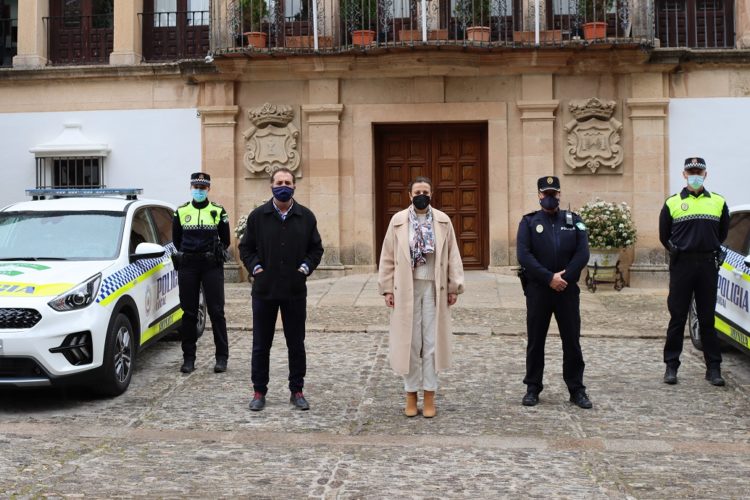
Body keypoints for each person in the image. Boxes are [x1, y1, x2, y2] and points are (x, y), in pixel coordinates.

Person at [377, 176, 464, 418]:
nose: (421, 195)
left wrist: (454, 285)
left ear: (431, 194)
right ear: (409, 195)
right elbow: (387, 256)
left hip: (435, 289)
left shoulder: (443, 221)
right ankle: (410, 394)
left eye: (425, 191)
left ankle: (429, 395)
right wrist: (386, 288)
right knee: (411, 343)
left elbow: (453, 255)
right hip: (406, 288)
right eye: (417, 191)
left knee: (432, 343)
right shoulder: (398, 222)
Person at [239, 167, 324, 411]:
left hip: (294, 291)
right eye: (279, 182)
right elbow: (246, 248)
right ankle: (259, 391)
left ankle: (296, 390)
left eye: (288, 182)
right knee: (260, 344)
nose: (283, 186)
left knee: (296, 343)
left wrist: (304, 269)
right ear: (271, 186)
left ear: (294, 186)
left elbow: (316, 249)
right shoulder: (258, 216)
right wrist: (256, 269)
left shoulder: (305, 216)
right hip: (265, 291)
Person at [516, 175, 592, 409]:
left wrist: (564, 278)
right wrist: (549, 278)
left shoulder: (574, 221)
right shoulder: (528, 222)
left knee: (572, 341)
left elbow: (582, 254)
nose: (550, 198)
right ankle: (532, 387)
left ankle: (576, 389)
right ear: (539, 195)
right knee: (536, 341)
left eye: (553, 194)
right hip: (539, 290)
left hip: (567, 290)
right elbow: (524, 254)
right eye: (545, 193)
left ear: (559, 194)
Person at [659, 157, 729, 387]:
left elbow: (722, 233)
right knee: (677, 318)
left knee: (707, 319)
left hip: (708, 265)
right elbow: (663, 235)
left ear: (705, 174)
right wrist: (677, 249)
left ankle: (713, 368)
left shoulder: (718, 202)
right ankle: (671, 367)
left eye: (699, 171)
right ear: (684, 175)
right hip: (682, 266)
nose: (695, 175)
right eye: (691, 172)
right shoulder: (673, 203)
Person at [172, 172, 230, 374]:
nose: (199, 191)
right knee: (188, 312)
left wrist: (212, 253)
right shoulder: (180, 211)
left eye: (202, 188)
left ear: (208, 189)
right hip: (188, 265)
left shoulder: (218, 211)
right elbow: (176, 239)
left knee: (216, 311)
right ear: (190, 188)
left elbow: (226, 239)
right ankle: (189, 358)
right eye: (196, 187)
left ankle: (221, 358)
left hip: (210, 265)